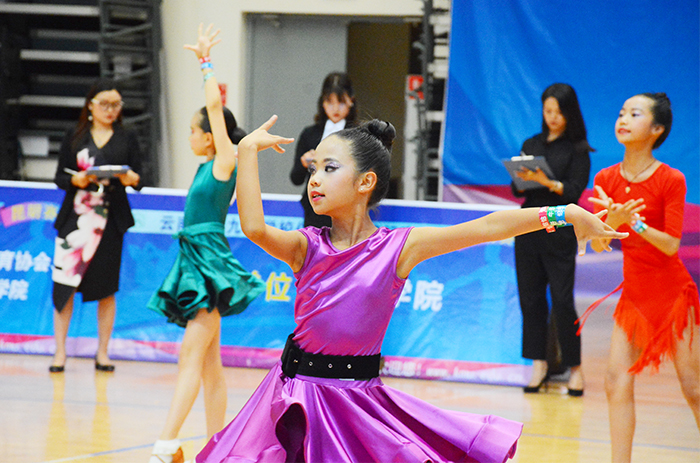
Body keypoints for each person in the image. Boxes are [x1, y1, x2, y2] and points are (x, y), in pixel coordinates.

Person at [195, 114, 628, 463]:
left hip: (357, 403)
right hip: (294, 397)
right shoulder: (306, 247)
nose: (315, 180)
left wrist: (566, 213)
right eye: (313, 169)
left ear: (365, 182)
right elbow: (254, 227)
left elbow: (487, 226)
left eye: (329, 168)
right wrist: (246, 151)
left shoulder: (398, 248)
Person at [146, 24, 265, 463]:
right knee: (210, 365)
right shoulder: (205, 167)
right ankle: (218, 447)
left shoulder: (224, 162)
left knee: (190, 360)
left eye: (194, 131)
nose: (190, 137)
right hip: (194, 260)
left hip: (207, 263)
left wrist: (204, 61)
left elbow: (215, 106)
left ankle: (165, 444)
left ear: (211, 136)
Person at [585, 92, 699, 463]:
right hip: (634, 295)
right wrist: (611, 223)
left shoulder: (671, 179)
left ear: (657, 129)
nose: (623, 119)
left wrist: (632, 222)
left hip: (672, 294)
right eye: (621, 113)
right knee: (614, 380)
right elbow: (598, 243)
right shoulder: (605, 178)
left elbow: (670, 245)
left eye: (635, 114)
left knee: (694, 388)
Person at [50, 78, 142, 373]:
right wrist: (75, 180)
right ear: (90, 105)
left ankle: (102, 353)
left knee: (107, 289)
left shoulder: (127, 136)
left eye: (116, 105)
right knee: (64, 286)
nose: (110, 110)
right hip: (76, 217)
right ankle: (60, 352)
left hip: (110, 221)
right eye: (104, 104)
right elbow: (60, 177)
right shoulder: (75, 135)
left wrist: (131, 179)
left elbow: (140, 178)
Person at [511, 83, 593, 396]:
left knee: (561, 301)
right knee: (530, 300)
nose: (553, 117)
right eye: (548, 111)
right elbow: (518, 189)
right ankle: (538, 365)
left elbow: (573, 192)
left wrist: (546, 182)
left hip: (559, 230)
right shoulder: (531, 143)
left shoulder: (578, 150)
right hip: (528, 227)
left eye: (559, 111)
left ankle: (575, 369)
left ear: (570, 113)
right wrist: (524, 177)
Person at [289, 71, 357, 227]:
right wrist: (304, 163)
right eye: (329, 102)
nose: (335, 108)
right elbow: (295, 179)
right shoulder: (310, 134)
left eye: (341, 102)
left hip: (347, 208)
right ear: (322, 102)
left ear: (351, 101)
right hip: (315, 209)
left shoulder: (358, 134)